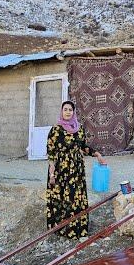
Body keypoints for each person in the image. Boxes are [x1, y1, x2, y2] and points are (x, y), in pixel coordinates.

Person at [46, 100, 106, 239]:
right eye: (65, 109)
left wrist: (97, 155)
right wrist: (52, 171)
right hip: (60, 169)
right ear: (61, 111)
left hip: (76, 170)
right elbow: (51, 152)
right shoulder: (56, 129)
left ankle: (77, 229)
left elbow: (83, 146)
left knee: (75, 198)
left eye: (70, 110)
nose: (68, 112)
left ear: (74, 112)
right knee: (61, 198)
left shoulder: (79, 128)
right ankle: (61, 230)